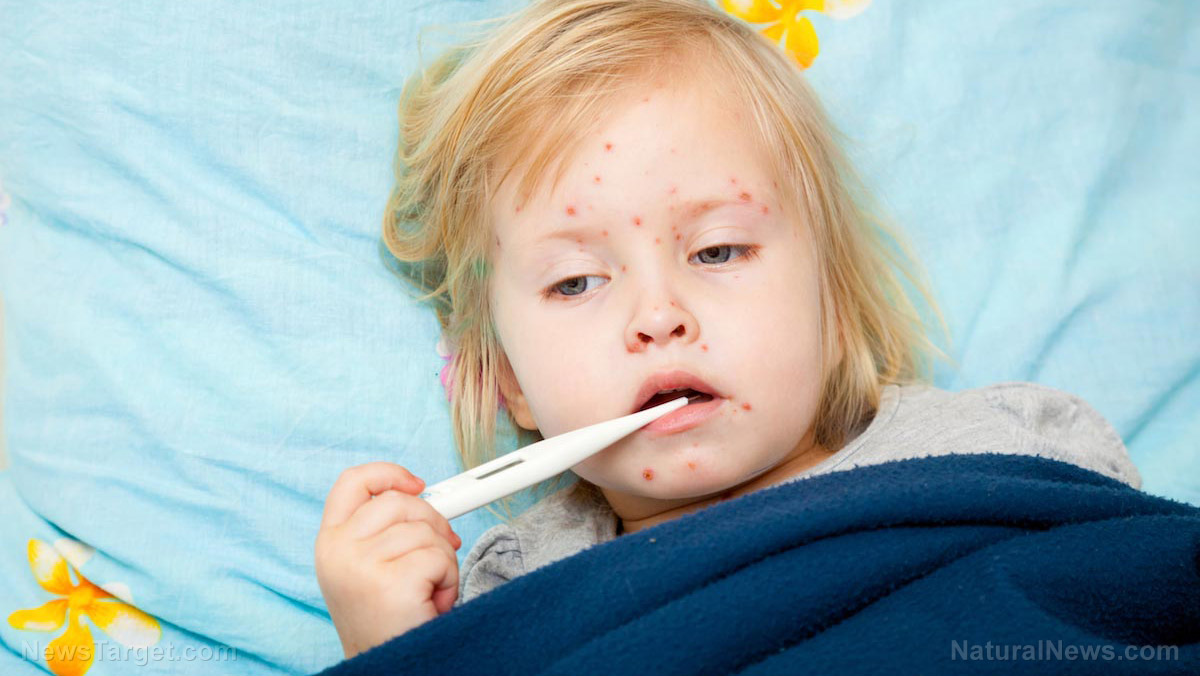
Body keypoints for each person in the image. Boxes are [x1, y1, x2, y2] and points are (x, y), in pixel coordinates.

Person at [313, 0, 1141, 659]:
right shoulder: (518, 591)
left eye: (717, 251)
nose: (657, 316)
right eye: (575, 281)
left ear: (833, 307)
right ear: (510, 384)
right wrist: (392, 647)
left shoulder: (1005, 449)